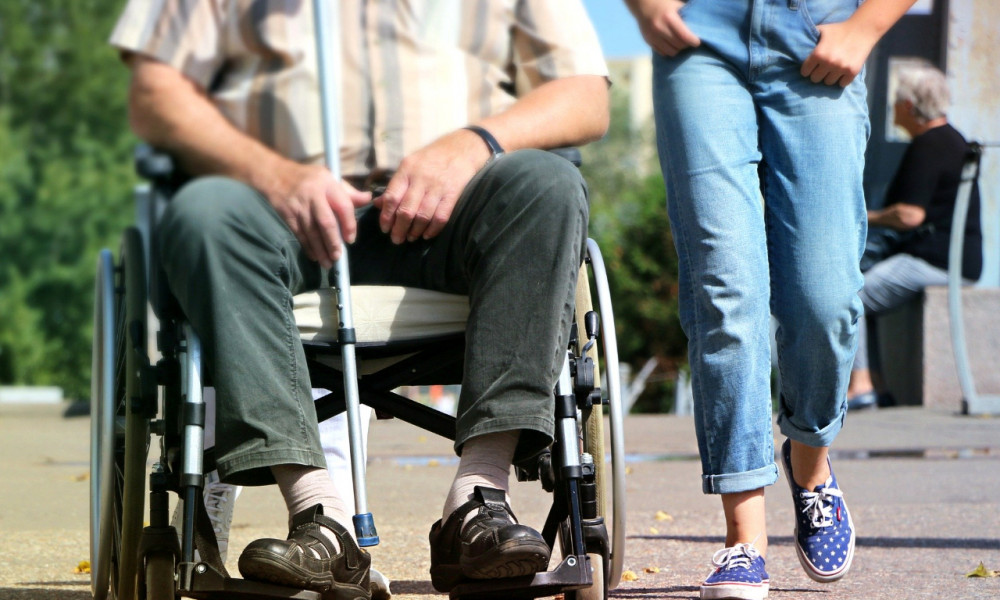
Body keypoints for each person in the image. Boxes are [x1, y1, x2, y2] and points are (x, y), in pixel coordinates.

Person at [109, 1, 609, 598]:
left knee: (548, 185)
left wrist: (475, 143)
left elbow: (584, 95)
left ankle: (478, 499)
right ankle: (318, 520)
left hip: (454, 210)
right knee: (205, 213)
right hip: (276, 211)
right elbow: (156, 92)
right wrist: (271, 171)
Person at [624, 0, 915, 598]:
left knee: (824, 294)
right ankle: (743, 541)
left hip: (818, 30)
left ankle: (809, 464)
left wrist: (869, 25)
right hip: (699, 35)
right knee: (726, 288)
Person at [847, 61, 982, 411]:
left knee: (854, 294)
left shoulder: (930, 144)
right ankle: (876, 384)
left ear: (909, 106)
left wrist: (864, 215)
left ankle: (861, 384)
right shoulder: (951, 140)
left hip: (935, 260)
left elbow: (910, 215)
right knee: (866, 292)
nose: (892, 108)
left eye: (895, 102)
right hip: (952, 258)